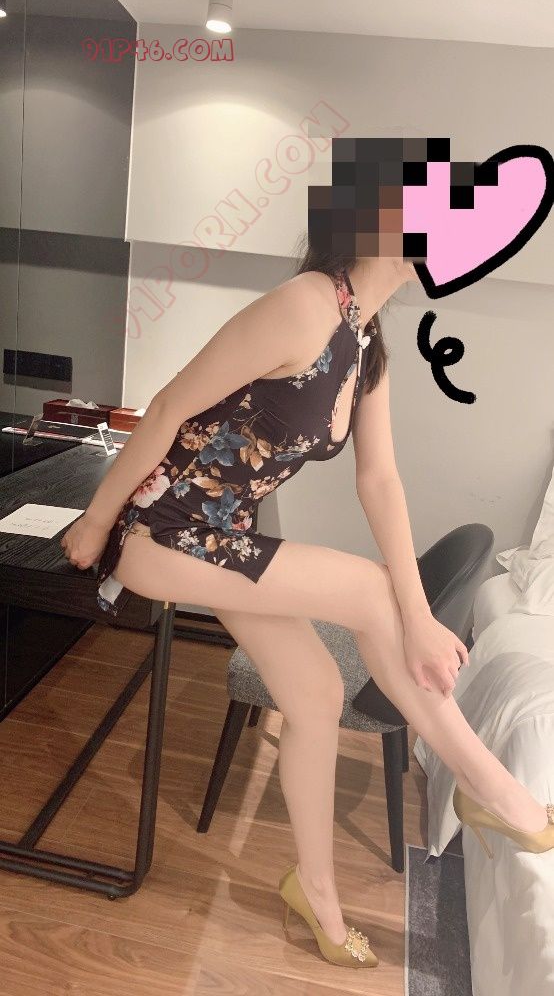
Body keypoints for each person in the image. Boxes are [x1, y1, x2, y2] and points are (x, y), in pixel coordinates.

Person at [60, 248, 554, 969]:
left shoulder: (366, 339)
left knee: (318, 693)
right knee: (371, 592)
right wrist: (97, 520)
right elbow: (169, 404)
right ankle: (493, 790)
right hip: (158, 528)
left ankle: (315, 893)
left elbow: (379, 480)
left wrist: (419, 616)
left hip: (222, 535)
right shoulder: (306, 303)